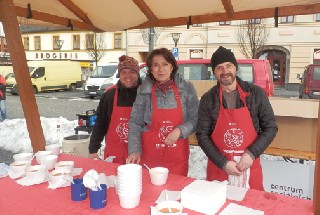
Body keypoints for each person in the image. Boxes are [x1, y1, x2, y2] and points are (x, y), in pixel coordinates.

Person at [196, 46, 278, 190]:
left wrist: (251, 154)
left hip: (248, 165)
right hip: (220, 168)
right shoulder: (208, 99)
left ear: (236, 68)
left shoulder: (256, 94)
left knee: (251, 207)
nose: (225, 71)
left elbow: (270, 127)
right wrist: (223, 163)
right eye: (219, 67)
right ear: (214, 71)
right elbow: (202, 135)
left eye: (229, 66)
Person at [126, 48, 199, 176]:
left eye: (165, 64)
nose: (160, 69)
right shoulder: (144, 91)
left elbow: (196, 118)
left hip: (177, 159)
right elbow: (135, 122)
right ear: (151, 69)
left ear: (172, 67)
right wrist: (134, 150)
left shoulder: (186, 89)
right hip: (150, 158)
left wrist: (180, 130)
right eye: (155, 65)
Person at [88, 55, 142, 164]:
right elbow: (100, 123)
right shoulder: (109, 95)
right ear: (119, 74)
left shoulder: (146, 94)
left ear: (137, 73)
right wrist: (93, 149)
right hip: (115, 153)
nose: (128, 76)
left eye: (131, 72)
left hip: (140, 155)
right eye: (123, 72)